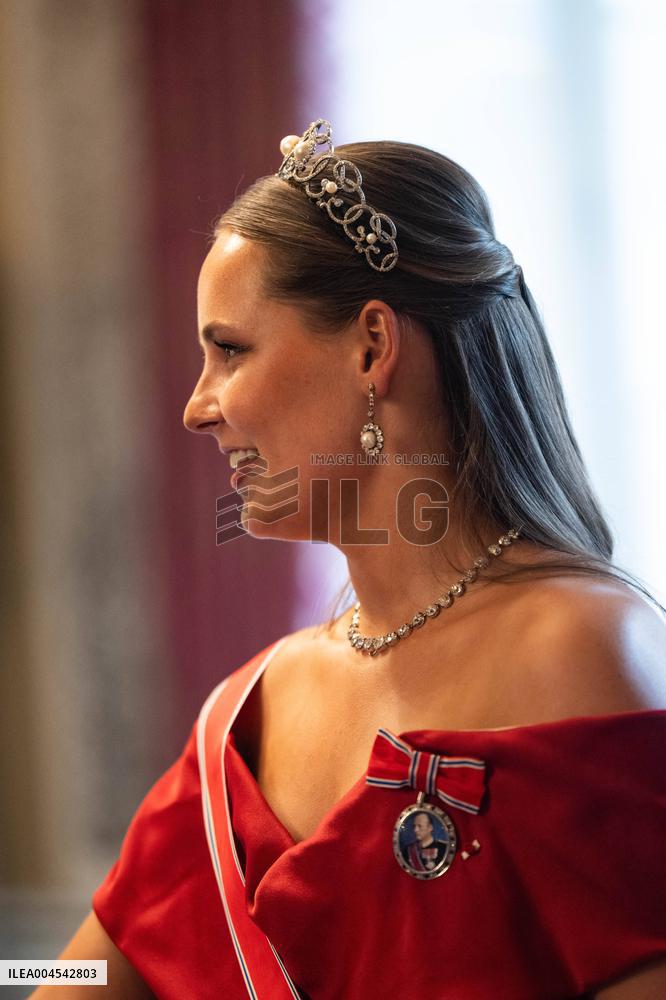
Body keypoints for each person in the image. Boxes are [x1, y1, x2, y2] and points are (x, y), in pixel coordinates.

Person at [31, 119, 666, 999]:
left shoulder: (582, 651)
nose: (196, 407)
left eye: (230, 351)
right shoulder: (249, 713)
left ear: (372, 346)